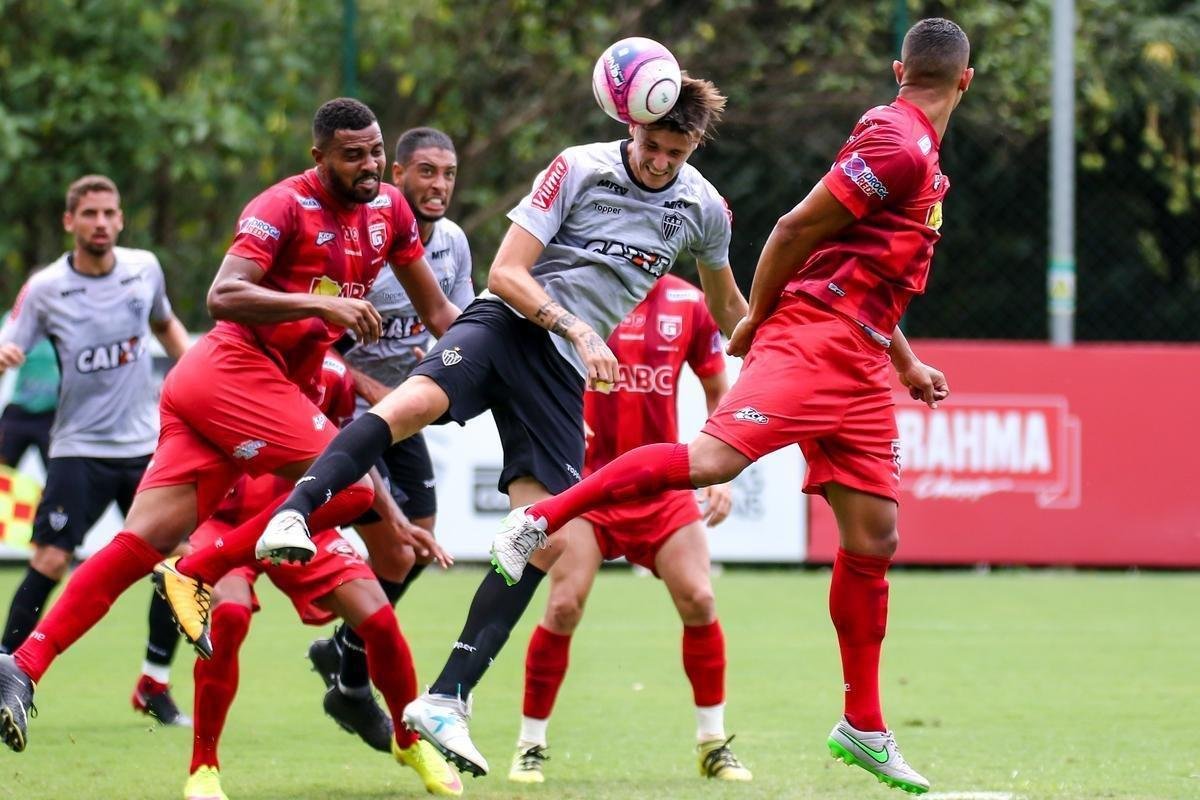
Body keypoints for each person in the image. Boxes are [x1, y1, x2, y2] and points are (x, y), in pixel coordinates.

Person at [492, 18, 973, 795]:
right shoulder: (900, 144)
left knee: (875, 537)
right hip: (815, 340)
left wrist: (906, 361)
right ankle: (541, 519)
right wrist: (754, 319)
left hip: (860, 353)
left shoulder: (907, 142)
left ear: (898, 69)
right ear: (967, 80)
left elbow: (862, 268)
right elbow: (793, 230)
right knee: (711, 461)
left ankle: (864, 725)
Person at [261, 74, 748, 776]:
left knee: (537, 538)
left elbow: (728, 303)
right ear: (631, 124)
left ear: (694, 145)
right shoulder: (579, 168)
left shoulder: (703, 207)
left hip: (556, 376)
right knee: (410, 407)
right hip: (508, 324)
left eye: (677, 151)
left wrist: (772, 350)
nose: (661, 163)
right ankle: (296, 514)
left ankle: (447, 698)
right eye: (652, 145)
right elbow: (508, 270)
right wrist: (578, 328)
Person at [0, 97, 460, 753]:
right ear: (319, 156)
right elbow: (222, 295)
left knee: (140, 542)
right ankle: (200, 568)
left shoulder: (390, 210)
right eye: (351, 154)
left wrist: (504, 371)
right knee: (352, 488)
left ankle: (21, 665)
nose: (368, 164)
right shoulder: (282, 206)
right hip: (234, 370)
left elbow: (442, 311)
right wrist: (316, 307)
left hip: (231, 389)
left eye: (375, 150)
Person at [507, 274, 752, 784]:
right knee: (564, 605)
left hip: (659, 486)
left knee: (700, 598)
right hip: (589, 486)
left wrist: (723, 468)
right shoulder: (582, 296)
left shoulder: (689, 301)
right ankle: (530, 744)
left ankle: (712, 743)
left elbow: (716, 387)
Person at [185, 351, 460, 800]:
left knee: (379, 620)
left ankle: (408, 742)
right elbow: (176, 450)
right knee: (229, 618)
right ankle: (203, 769)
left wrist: (393, 517)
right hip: (224, 523)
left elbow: (349, 452)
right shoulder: (221, 368)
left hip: (299, 521)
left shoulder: (331, 372)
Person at [0, 175, 194, 727]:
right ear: (70, 222)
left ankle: (153, 685)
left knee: (177, 564)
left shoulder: (143, 269)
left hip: (144, 448)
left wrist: (200, 373)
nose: (102, 223)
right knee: (51, 560)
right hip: (78, 448)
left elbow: (166, 324)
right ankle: (5, 677)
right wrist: (7, 354)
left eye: (110, 213)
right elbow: (14, 336)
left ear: (121, 219)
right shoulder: (46, 288)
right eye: (90, 214)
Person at [307, 127, 475, 724]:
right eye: (426, 172)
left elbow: (452, 326)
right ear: (397, 175)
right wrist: (367, 385)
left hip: (402, 416)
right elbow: (316, 343)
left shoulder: (452, 243)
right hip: (340, 417)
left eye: (448, 174)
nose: (439, 185)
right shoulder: (366, 241)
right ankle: (353, 683)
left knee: (416, 546)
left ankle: (343, 653)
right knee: (398, 548)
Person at [0, 311, 58, 472]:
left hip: (53, 416)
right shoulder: (18, 321)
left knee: (59, 478)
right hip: (19, 411)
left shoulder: (74, 323)